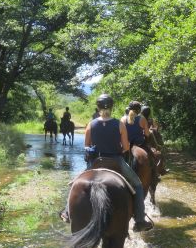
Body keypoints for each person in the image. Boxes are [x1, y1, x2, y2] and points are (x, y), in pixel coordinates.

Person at [60, 93, 153, 232]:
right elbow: (126, 147)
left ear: (98, 108)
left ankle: (67, 212)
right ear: (111, 107)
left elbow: (86, 145)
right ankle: (139, 220)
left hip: (96, 161)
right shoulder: (119, 124)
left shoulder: (91, 124)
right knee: (138, 185)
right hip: (116, 161)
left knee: (75, 183)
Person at [124, 101, 159, 185]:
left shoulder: (123, 119)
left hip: (127, 145)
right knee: (152, 157)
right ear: (139, 110)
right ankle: (155, 176)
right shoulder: (142, 119)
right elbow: (147, 134)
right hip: (140, 144)